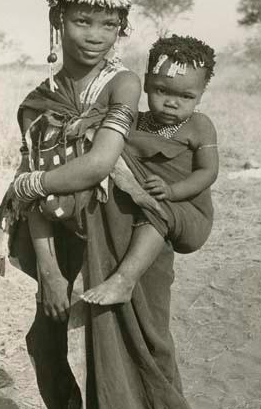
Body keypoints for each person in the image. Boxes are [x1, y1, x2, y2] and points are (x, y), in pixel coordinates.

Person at [0, 0, 192, 409]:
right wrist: (51, 271)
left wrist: (29, 182)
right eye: (82, 21)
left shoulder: (123, 84)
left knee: (131, 348)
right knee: (46, 343)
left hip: (124, 233)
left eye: (108, 26)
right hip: (57, 233)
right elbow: (35, 198)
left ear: (121, 30)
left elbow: (101, 162)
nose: (95, 36)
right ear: (57, 19)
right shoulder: (42, 99)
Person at [82, 34, 218, 305]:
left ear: (201, 95)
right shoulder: (133, 122)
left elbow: (208, 172)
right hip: (143, 203)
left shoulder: (199, 126)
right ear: (145, 83)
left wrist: (171, 191)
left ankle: (124, 280)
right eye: (162, 90)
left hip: (185, 209)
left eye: (186, 96)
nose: (171, 102)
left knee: (157, 211)